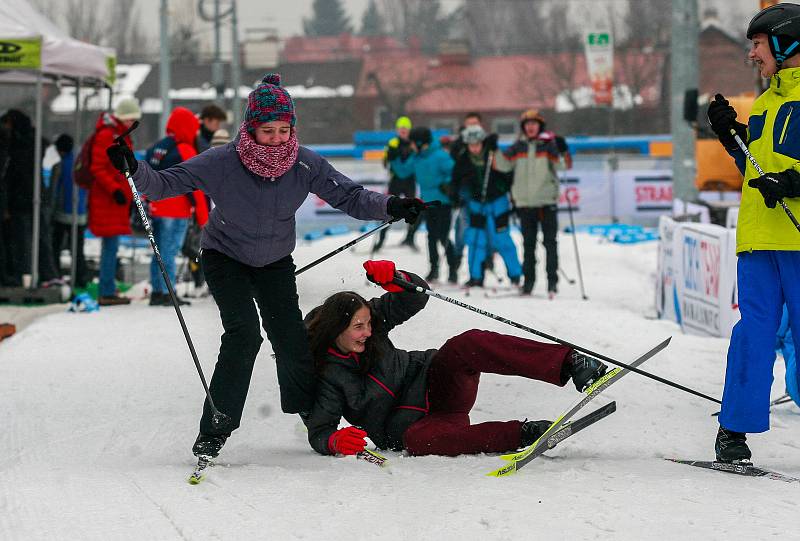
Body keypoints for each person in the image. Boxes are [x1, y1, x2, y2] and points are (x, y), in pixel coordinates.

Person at [105, 73, 426, 460]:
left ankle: (315, 418)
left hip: (274, 261)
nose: (276, 138)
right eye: (267, 130)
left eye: (283, 129)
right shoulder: (223, 161)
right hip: (225, 257)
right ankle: (216, 429)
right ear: (250, 128)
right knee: (244, 335)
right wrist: (133, 168)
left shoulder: (305, 164)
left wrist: (392, 205)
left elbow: (351, 197)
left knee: (292, 339)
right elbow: (163, 184)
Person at [303, 260, 607, 457]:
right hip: (410, 428)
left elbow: (416, 296)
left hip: (436, 381)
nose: (368, 332)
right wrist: (334, 441)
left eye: (369, 324)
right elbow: (320, 429)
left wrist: (396, 278)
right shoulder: (327, 374)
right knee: (422, 442)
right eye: (359, 327)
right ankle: (525, 433)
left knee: (467, 343)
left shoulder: (371, 324)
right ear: (336, 329)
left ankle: (574, 364)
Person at [707, 3, 800, 463]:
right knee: (753, 335)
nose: (751, 55)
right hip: (760, 242)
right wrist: (732, 135)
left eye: (758, 44)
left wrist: (793, 183)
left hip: (799, 241)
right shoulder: (766, 102)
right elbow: (756, 169)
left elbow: (785, 176)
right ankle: (734, 429)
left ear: (787, 43)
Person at [494, 110, 566, 297]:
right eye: (527, 124)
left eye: (534, 123)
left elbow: (562, 166)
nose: (531, 127)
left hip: (546, 202)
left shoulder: (548, 146)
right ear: (524, 127)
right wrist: (493, 149)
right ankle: (529, 281)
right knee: (528, 245)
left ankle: (552, 281)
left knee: (550, 243)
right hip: (525, 204)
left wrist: (562, 149)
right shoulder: (517, 147)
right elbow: (502, 165)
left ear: (539, 126)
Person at [144, 107, 209, 306]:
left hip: (155, 207)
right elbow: (195, 186)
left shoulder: (156, 148)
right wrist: (203, 216)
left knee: (159, 251)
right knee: (170, 251)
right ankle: (168, 293)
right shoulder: (185, 149)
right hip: (176, 209)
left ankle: (157, 290)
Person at [452, 125, 521, 288]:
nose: (474, 148)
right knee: (476, 239)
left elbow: (508, 175)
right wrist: (458, 196)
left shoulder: (493, 154)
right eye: (471, 144)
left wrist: (508, 193)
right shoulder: (463, 159)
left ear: (483, 142)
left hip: (498, 202)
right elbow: (456, 181)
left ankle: (515, 274)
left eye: (477, 144)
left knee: (502, 238)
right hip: (476, 204)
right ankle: (476, 276)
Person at [87, 98, 141, 305]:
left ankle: (108, 287)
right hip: (108, 201)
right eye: (130, 119)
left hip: (114, 202)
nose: (132, 123)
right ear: (123, 117)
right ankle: (106, 291)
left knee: (111, 246)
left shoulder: (118, 134)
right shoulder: (107, 135)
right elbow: (98, 167)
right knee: (110, 246)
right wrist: (115, 189)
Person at [400, 126, 457, 282]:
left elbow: (454, 172)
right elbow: (403, 172)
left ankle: (453, 269)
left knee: (443, 236)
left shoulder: (440, 156)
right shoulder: (417, 157)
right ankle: (434, 269)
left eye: (412, 142)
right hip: (427, 203)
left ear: (420, 142)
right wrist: (394, 158)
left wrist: (447, 184)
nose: (411, 146)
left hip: (443, 202)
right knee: (431, 236)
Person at [373, 116, 418, 253]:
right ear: (398, 130)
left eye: (405, 129)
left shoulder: (414, 143)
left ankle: (410, 238)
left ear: (409, 130)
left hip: (409, 181)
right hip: (396, 181)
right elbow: (386, 161)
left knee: (413, 209)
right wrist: (387, 158)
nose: (403, 131)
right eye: (401, 129)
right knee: (389, 209)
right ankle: (380, 240)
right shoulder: (392, 142)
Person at [51, 134, 89, 289]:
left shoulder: (59, 165)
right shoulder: (80, 163)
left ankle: (55, 274)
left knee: (56, 246)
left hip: (62, 213)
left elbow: (55, 189)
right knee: (77, 250)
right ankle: (81, 278)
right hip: (79, 213)